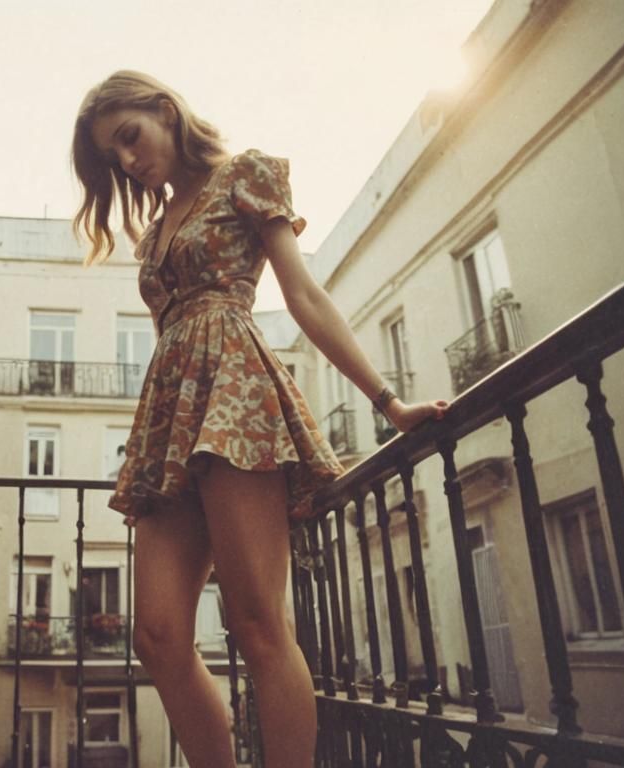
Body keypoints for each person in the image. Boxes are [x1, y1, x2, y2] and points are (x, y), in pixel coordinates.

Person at [71, 70, 448, 768]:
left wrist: (387, 401)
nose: (126, 161)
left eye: (130, 137)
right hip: (171, 412)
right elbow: (169, 331)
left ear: (164, 110)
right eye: (111, 156)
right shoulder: (154, 233)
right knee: (156, 635)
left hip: (237, 394)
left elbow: (302, 294)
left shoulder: (244, 174)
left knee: (257, 623)